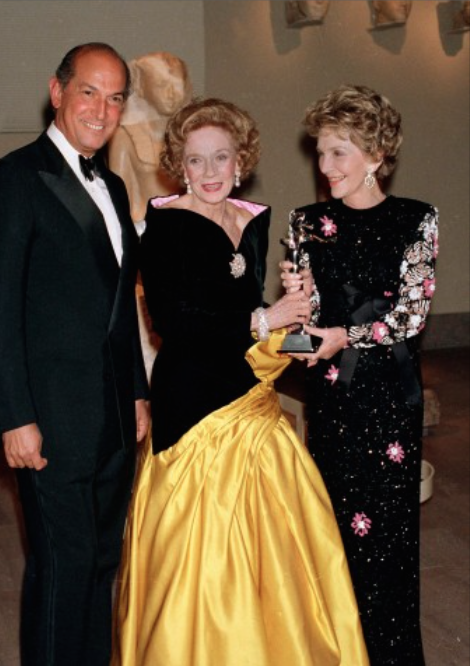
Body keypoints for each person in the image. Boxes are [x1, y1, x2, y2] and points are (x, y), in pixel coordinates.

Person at [110, 97, 370, 666]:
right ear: (179, 164)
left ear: (240, 161)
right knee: (202, 571)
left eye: (220, 158)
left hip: (253, 403)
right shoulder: (163, 227)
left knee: (278, 563)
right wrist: (264, 319)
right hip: (194, 412)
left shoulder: (253, 219)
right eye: (196, 160)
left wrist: (296, 318)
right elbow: (174, 325)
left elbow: (253, 318)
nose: (209, 172)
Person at [0, 43, 150, 666]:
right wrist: (13, 416)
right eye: (89, 92)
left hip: (110, 417)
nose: (102, 110)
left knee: (101, 563)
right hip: (48, 417)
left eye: (116, 97)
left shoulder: (116, 184)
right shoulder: (13, 180)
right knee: (61, 568)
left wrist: (136, 391)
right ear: (57, 92)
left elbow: (118, 305)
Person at [281, 84, 439, 665]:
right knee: (333, 536)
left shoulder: (416, 219)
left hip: (389, 403)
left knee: (391, 545)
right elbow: (307, 322)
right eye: (320, 153)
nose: (325, 167)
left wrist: (345, 336)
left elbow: (412, 314)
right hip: (333, 402)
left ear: (375, 155)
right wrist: (297, 312)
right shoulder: (305, 223)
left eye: (339, 152)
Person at [108, 52, 193, 225]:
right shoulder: (124, 136)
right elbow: (121, 202)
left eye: (177, 85)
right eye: (161, 85)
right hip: (144, 230)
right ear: (142, 87)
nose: (171, 94)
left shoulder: (193, 135)